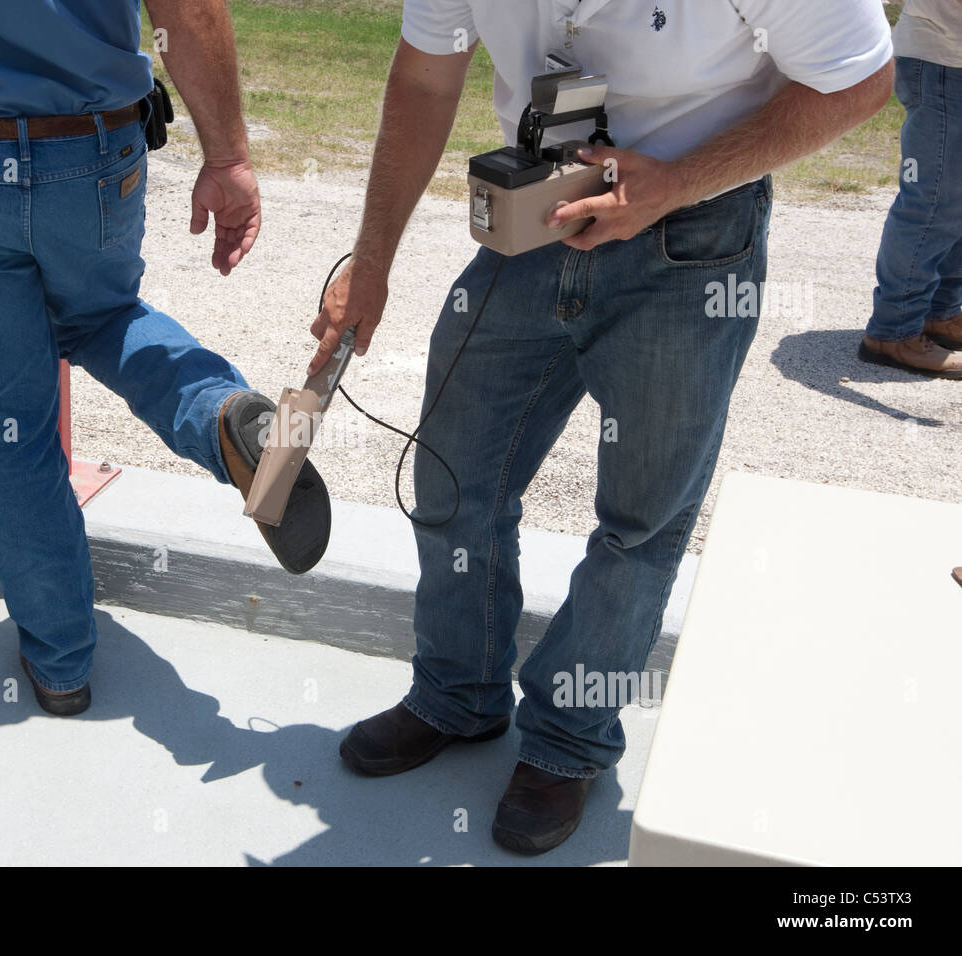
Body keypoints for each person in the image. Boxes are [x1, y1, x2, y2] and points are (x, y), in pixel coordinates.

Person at [309, 0, 893, 854]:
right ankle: (457, 695)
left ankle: (567, 742)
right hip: (531, 215)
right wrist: (373, 257)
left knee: (640, 521)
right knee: (452, 471)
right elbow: (426, 76)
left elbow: (860, 80)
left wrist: (677, 181)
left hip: (694, 240)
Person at [0, 0, 332, 717]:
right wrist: (227, 157)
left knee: (10, 414)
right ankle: (225, 416)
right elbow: (187, 8)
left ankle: (61, 665)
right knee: (106, 318)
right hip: (90, 148)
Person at [860, 0, 962, 379]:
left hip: (951, 57)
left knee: (954, 202)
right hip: (940, 61)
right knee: (932, 201)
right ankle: (893, 330)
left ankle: (941, 312)